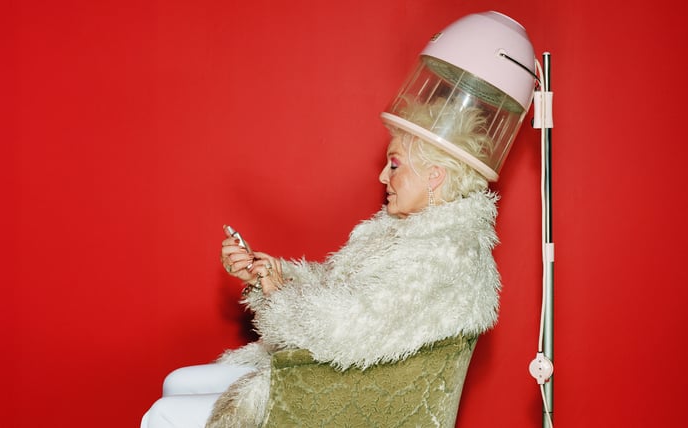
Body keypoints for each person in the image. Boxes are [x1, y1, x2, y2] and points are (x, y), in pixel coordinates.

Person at [140, 98, 504, 428]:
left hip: (347, 397)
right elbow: (336, 289)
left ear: (434, 175)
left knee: (164, 414)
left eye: (394, 165)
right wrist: (266, 274)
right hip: (337, 377)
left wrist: (279, 295)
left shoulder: (445, 254)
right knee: (178, 382)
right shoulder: (403, 233)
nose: (383, 176)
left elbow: (346, 327)